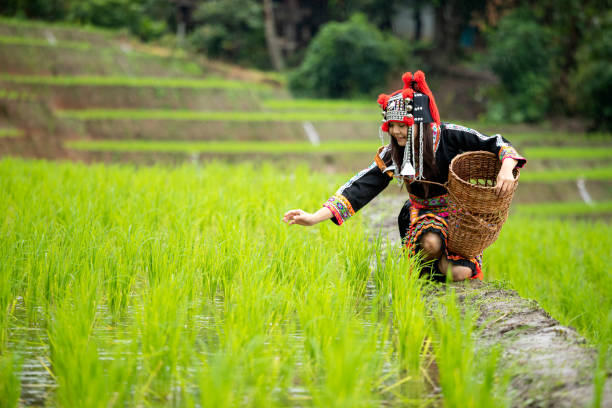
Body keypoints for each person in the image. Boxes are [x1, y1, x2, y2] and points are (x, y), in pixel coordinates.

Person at [282, 71, 526, 281]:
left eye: (404, 125)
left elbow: (495, 142)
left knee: (458, 274)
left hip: (460, 217)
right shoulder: (394, 154)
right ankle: (426, 266)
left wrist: (506, 167)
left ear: (420, 122)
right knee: (431, 244)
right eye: (393, 126)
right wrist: (314, 217)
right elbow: (360, 187)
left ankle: (445, 267)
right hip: (425, 216)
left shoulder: (449, 135)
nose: (397, 132)